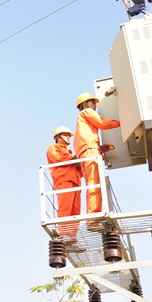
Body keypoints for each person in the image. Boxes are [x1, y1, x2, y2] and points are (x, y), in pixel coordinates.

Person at [73, 92, 120, 221]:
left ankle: (92, 217)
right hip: (90, 151)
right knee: (94, 183)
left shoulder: (81, 119)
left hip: (86, 152)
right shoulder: (87, 112)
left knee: (91, 184)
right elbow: (102, 123)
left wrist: (100, 148)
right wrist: (122, 122)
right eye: (92, 102)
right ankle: (93, 218)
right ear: (84, 104)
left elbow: (86, 139)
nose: (95, 105)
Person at [46, 126, 82, 242]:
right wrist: (74, 159)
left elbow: (80, 171)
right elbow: (58, 158)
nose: (68, 137)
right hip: (64, 182)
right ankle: (65, 234)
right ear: (57, 137)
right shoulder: (53, 148)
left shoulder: (69, 154)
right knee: (66, 208)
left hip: (76, 184)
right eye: (65, 135)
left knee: (75, 212)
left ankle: (72, 238)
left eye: (69, 135)